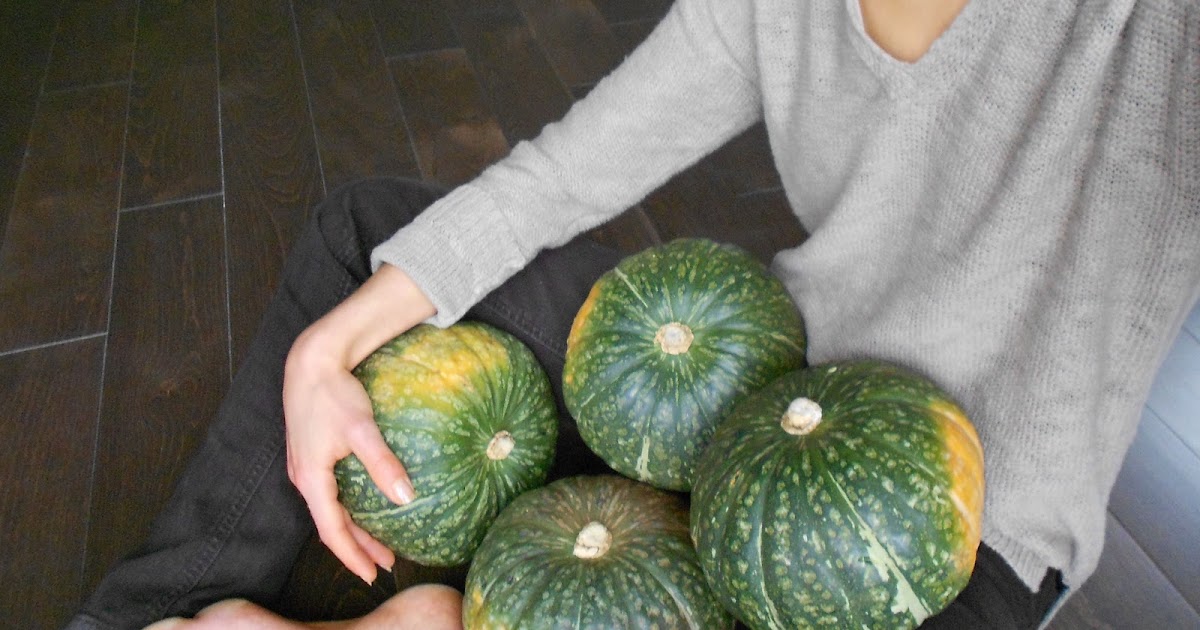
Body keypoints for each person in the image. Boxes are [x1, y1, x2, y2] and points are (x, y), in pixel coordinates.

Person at [69, 0, 1198, 628]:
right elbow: (567, 173)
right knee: (371, 238)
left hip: (961, 526)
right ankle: (156, 616)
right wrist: (325, 350)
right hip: (759, 384)